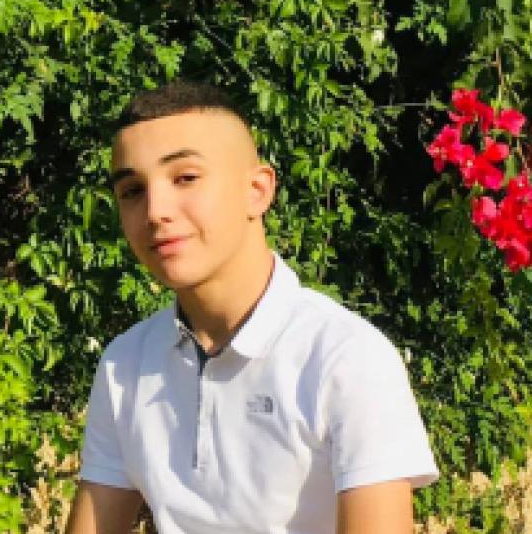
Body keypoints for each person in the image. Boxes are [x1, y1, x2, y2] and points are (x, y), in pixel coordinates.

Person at [66, 81, 438, 533]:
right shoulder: (125, 364)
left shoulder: (343, 356)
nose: (155, 210)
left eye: (185, 178)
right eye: (132, 191)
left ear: (257, 190)